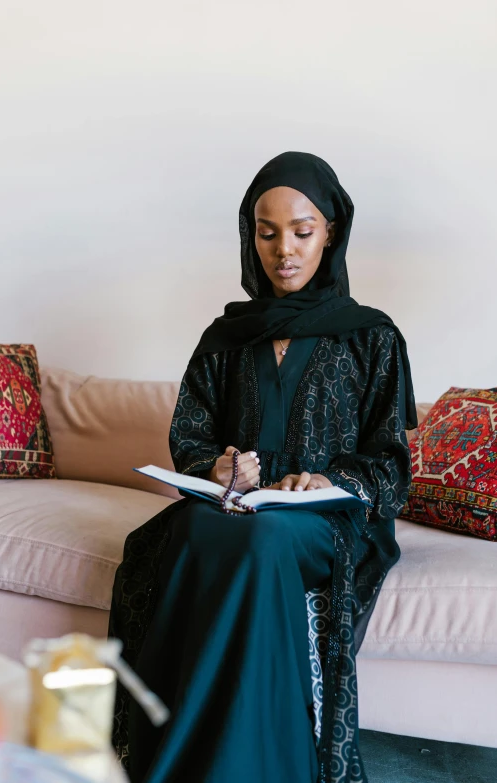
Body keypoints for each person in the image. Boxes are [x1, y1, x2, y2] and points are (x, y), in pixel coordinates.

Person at [108, 151, 417, 783]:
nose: (284, 250)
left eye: (302, 232)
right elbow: (189, 437)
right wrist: (219, 467)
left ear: (332, 232)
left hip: (325, 522)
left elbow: (391, 468)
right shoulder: (227, 336)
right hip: (236, 509)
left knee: (266, 541)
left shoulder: (372, 337)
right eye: (266, 232)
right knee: (190, 531)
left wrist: (331, 480)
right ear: (250, 236)